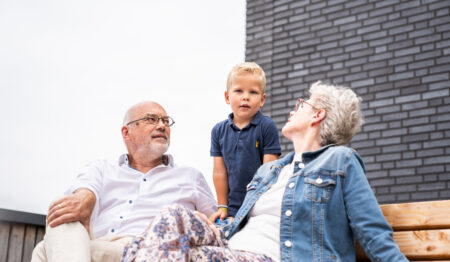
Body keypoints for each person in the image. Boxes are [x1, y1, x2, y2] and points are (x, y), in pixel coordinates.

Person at [121, 81, 408, 261]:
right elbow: (245, 223)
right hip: (229, 248)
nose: (294, 109)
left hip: (273, 257)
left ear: (318, 115)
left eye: (302, 104)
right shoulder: (270, 171)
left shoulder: (341, 161)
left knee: (145, 251)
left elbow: (372, 231)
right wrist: (214, 224)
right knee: (169, 220)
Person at [31, 101, 217, 262]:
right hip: (95, 245)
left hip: (149, 250)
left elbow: (217, 223)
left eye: (166, 121)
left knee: (43, 250)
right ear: (127, 132)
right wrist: (84, 198)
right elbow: (84, 189)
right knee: (61, 208)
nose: (162, 125)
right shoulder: (102, 169)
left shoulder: (190, 177)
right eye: (151, 119)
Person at [210, 62, 281, 221]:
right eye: (239, 91)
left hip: (260, 207)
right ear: (227, 97)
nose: (245, 97)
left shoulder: (266, 127)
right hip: (232, 209)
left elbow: (269, 171)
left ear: (262, 100)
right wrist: (223, 207)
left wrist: (257, 207)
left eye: (253, 92)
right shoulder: (218, 131)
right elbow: (219, 172)